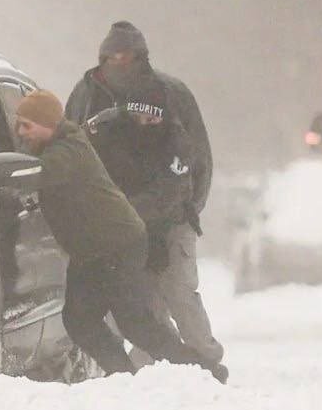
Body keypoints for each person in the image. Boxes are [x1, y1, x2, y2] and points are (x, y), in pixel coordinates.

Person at [0, 90, 224, 382]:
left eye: (26, 125)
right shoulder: (52, 146)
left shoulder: (68, 151)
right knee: (79, 320)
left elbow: (34, 174)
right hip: (91, 252)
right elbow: (24, 163)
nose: (20, 132)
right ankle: (123, 377)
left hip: (118, 245)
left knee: (136, 323)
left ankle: (204, 371)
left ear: (47, 124)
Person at [66, 21, 223, 364]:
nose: (120, 64)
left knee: (180, 291)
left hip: (172, 215)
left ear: (142, 58)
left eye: (129, 57)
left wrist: (188, 208)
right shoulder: (86, 96)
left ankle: (205, 360)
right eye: (113, 58)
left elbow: (197, 159)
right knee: (139, 302)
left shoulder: (171, 93)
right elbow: (72, 150)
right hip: (116, 223)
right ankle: (151, 367)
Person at [86, 87, 226, 369]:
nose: (148, 126)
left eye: (154, 121)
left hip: (172, 223)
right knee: (145, 299)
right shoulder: (104, 131)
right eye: (140, 118)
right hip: (127, 226)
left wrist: (139, 224)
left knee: (179, 291)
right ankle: (156, 361)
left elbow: (170, 194)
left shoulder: (176, 141)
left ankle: (207, 358)